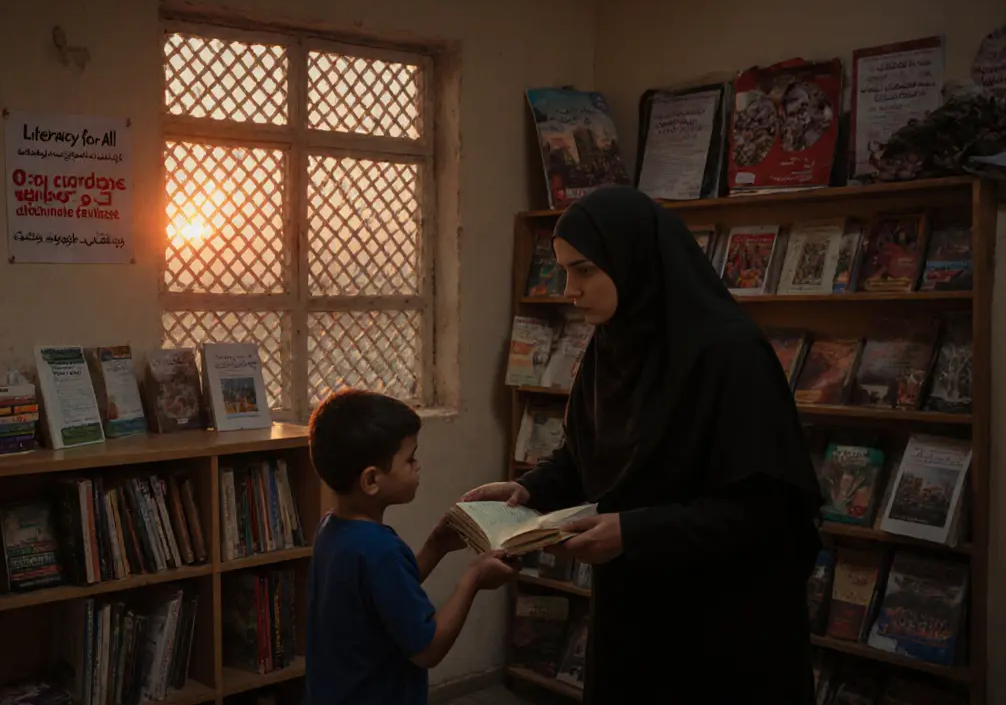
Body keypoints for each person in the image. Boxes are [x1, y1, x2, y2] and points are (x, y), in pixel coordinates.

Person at [463, 186, 825, 703]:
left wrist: (634, 531)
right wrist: (529, 492)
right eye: (565, 270)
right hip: (635, 604)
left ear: (632, 260)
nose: (570, 289)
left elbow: (768, 510)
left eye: (585, 270)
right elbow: (585, 455)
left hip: (724, 618)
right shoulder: (609, 346)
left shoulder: (730, 355)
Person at [305, 389, 518, 705]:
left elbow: (385, 597)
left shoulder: (333, 530)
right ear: (371, 480)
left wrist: (435, 546)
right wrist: (473, 578)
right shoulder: (381, 551)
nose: (418, 466)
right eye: (410, 459)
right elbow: (427, 649)